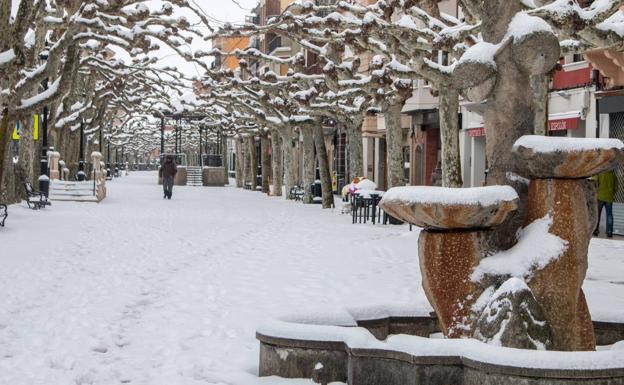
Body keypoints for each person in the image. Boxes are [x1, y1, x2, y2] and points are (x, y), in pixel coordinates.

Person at [593, 170, 618, 238]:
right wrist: (612, 193)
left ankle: (595, 230)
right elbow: (616, 187)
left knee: (597, 214)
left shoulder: (599, 173)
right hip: (609, 198)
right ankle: (609, 231)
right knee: (609, 215)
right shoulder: (613, 175)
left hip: (600, 197)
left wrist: (597, 192)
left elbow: (595, 183)